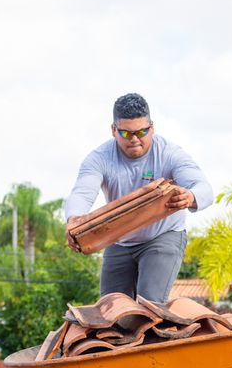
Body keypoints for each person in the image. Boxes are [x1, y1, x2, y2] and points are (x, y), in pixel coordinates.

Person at [64, 93, 213, 302]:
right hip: (118, 239)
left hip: (162, 235)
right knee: (111, 309)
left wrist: (191, 196)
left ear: (152, 127)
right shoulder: (99, 158)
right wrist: (73, 220)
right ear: (113, 130)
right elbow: (82, 192)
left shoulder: (170, 154)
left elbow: (204, 188)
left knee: (148, 305)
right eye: (126, 133)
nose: (134, 139)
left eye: (141, 132)